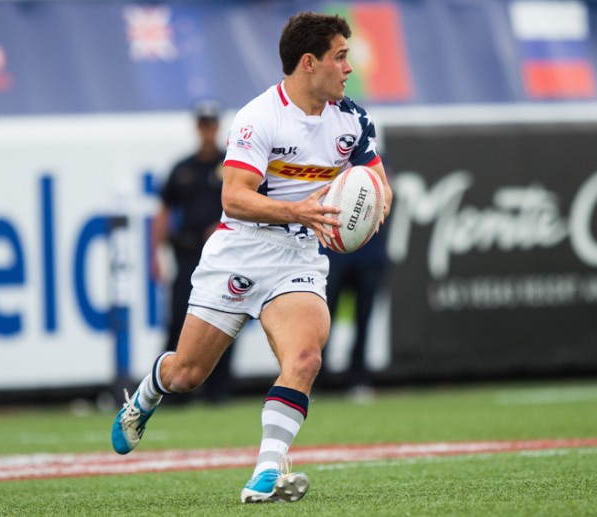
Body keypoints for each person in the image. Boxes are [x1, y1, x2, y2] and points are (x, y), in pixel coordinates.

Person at [111, 11, 391, 504]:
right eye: (340, 56)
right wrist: (298, 209)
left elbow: (377, 183)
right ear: (310, 63)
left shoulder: (353, 118)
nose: (349, 67)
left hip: (299, 255)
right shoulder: (259, 116)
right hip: (241, 249)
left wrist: (372, 206)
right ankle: (146, 395)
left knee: (304, 357)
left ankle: (267, 471)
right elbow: (234, 198)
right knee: (188, 374)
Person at [152, 99, 235, 405]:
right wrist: (156, 254)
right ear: (197, 128)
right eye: (203, 125)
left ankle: (218, 391)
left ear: (217, 127)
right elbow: (162, 210)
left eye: (211, 125)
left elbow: (247, 201)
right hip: (187, 255)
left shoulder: (231, 166)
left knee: (224, 321)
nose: (207, 131)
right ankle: (173, 391)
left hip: (223, 257)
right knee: (178, 320)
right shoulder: (182, 169)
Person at [322, 223, 387, 401]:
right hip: (331, 251)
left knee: (364, 319)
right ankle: (317, 380)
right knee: (322, 318)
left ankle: (358, 379)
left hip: (369, 253)